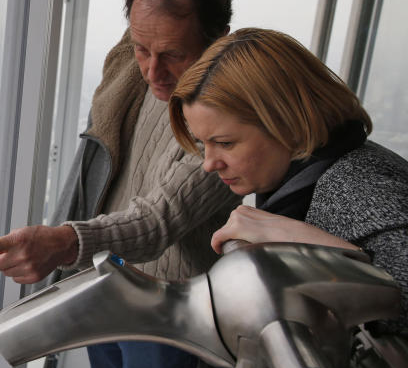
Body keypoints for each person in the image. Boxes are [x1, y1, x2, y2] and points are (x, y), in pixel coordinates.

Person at [0, 0, 243, 368]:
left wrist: (66, 240)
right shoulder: (132, 72)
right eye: (141, 48)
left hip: (167, 306)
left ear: (218, 39)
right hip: (110, 281)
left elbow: (158, 220)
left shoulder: (226, 119)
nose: (153, 71)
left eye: (172, 54)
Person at [168, 27, 408, 332]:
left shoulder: (360, 187)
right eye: (204, 144)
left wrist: (309, 244)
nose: (209, 164)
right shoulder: (310, 180)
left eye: (226, 143)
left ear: (290, 125)